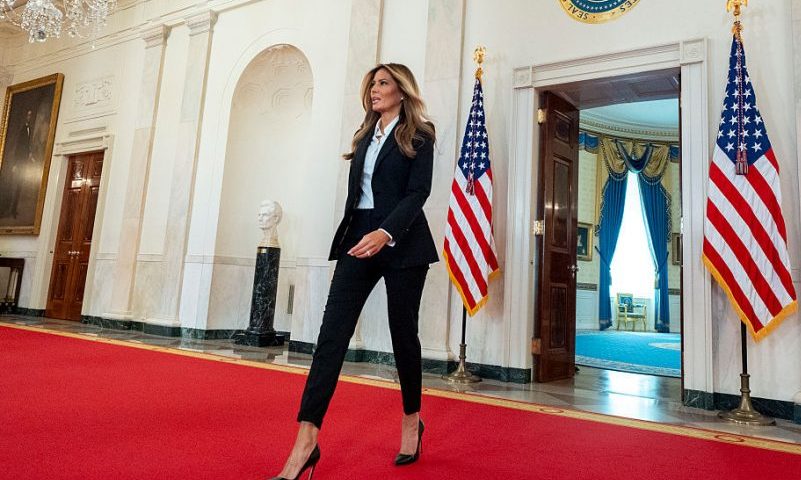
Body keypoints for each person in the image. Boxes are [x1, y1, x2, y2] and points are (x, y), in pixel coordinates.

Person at [271, 63, 438, 480]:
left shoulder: (420, 135)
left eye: (382, 83)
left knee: (404, 335)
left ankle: (410, 420)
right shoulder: (365, 136)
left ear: (402, 91)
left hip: (403, 242)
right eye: (371, 85)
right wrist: (365, 233)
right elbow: (359, 195)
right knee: (331, 337)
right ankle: (306, 441)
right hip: (357, 239)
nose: (374, 90)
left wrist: (386, 232)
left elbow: (419, 192)